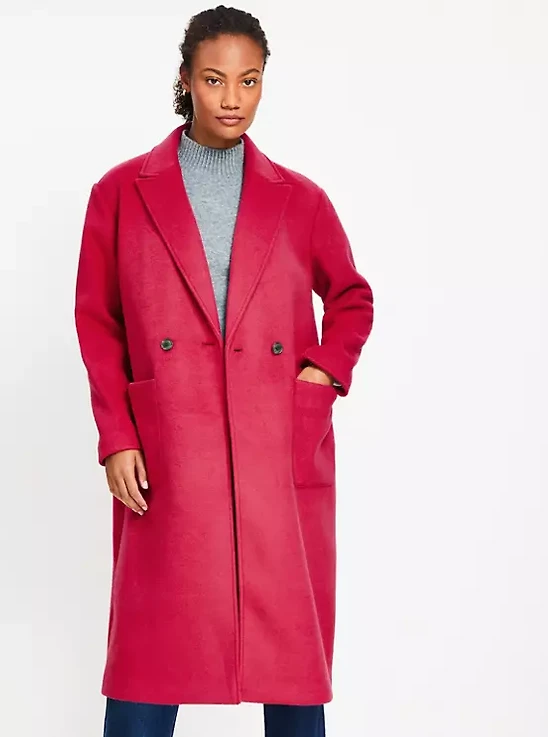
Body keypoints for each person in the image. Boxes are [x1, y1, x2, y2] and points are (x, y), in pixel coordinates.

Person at [74, 5, 375, 736]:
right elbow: (98, 321)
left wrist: (320, 376)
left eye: (249, 80)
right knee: (150, 660)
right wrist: (118, 435)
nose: (233, 98)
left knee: (290, 656)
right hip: (170, 447)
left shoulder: (301, 199)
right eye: (214, 80)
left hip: (275, 444)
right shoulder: (121, 191)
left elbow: (351, 297)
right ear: (185, 80)